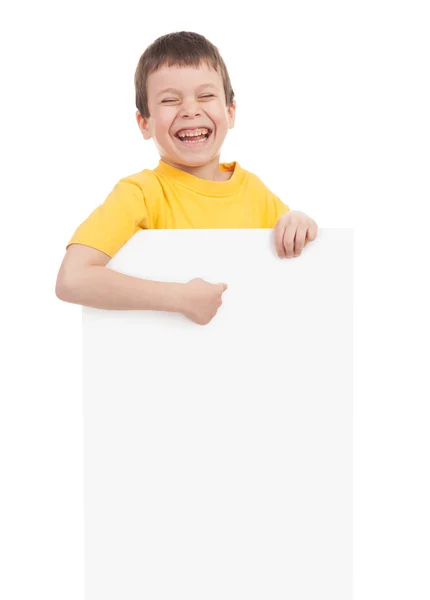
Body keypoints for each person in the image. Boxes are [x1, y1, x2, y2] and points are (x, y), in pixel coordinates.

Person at [55, 31, 318, 325]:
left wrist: (299, 222)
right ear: (144, 123)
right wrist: (179, 298)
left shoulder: (254, 191)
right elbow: (72, 279)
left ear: (230, 112)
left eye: (206, 95)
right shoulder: (140, 193)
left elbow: (298, 264)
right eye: (170, 100)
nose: (191, 111)